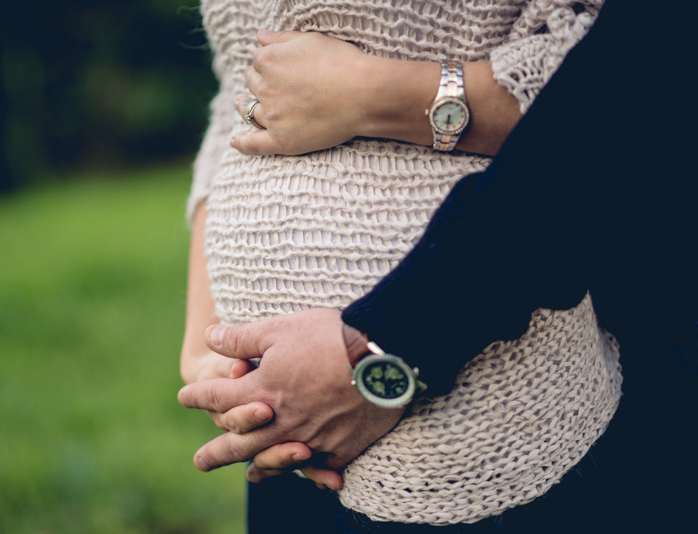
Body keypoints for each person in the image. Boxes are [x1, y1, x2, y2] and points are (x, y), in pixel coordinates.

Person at [179, 0, 698, 531]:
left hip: (492, 400)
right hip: (286, 416)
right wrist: (206, 337)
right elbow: (240, 91)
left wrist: (373, 355)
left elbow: (635, 85)